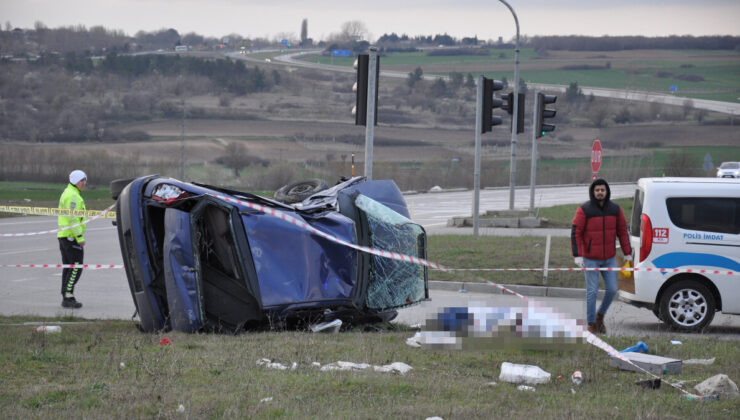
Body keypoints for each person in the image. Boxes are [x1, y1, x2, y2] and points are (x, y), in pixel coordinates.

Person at [571, 178, 632, 335]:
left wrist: (627, 253)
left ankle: (600, 317)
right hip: (590, 257)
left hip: (609, 257)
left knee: (612, 290)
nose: (600, 192)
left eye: (602, 190)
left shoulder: (616, 210)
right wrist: (578, 256)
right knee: (592, 291)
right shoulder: (584, 210)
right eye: (597, 190)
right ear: (593, 192)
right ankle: (591, 324)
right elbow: (575, 232)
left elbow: (623, 232)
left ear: (607, 192)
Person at [58, 170, 88, 309]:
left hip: (65, 236)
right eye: (81, 180)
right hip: (71, 238)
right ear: (75, 181)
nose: (84, 183)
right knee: (77, 267)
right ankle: (68, 295)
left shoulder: (69, 193)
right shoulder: (73, 196)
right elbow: (73, 218)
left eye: (85, 180)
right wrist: (79, 237)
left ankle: (67, 295)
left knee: (68, 267)